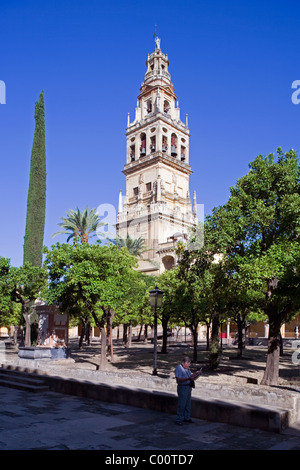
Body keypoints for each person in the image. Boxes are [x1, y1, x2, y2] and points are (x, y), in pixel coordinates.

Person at [174, 356, 196, 425]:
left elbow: (189, 376)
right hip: (182, 387)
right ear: (183, 363)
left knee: (188, 404)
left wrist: (195, 374)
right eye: (187, 364)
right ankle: (179, 419)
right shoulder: (179, 368)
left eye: (189, 364)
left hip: (188, 387)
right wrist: (188, 379)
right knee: (182, 404)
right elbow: (178, 379)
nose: (188, 366)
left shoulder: (187, 368)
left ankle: (187, 417)